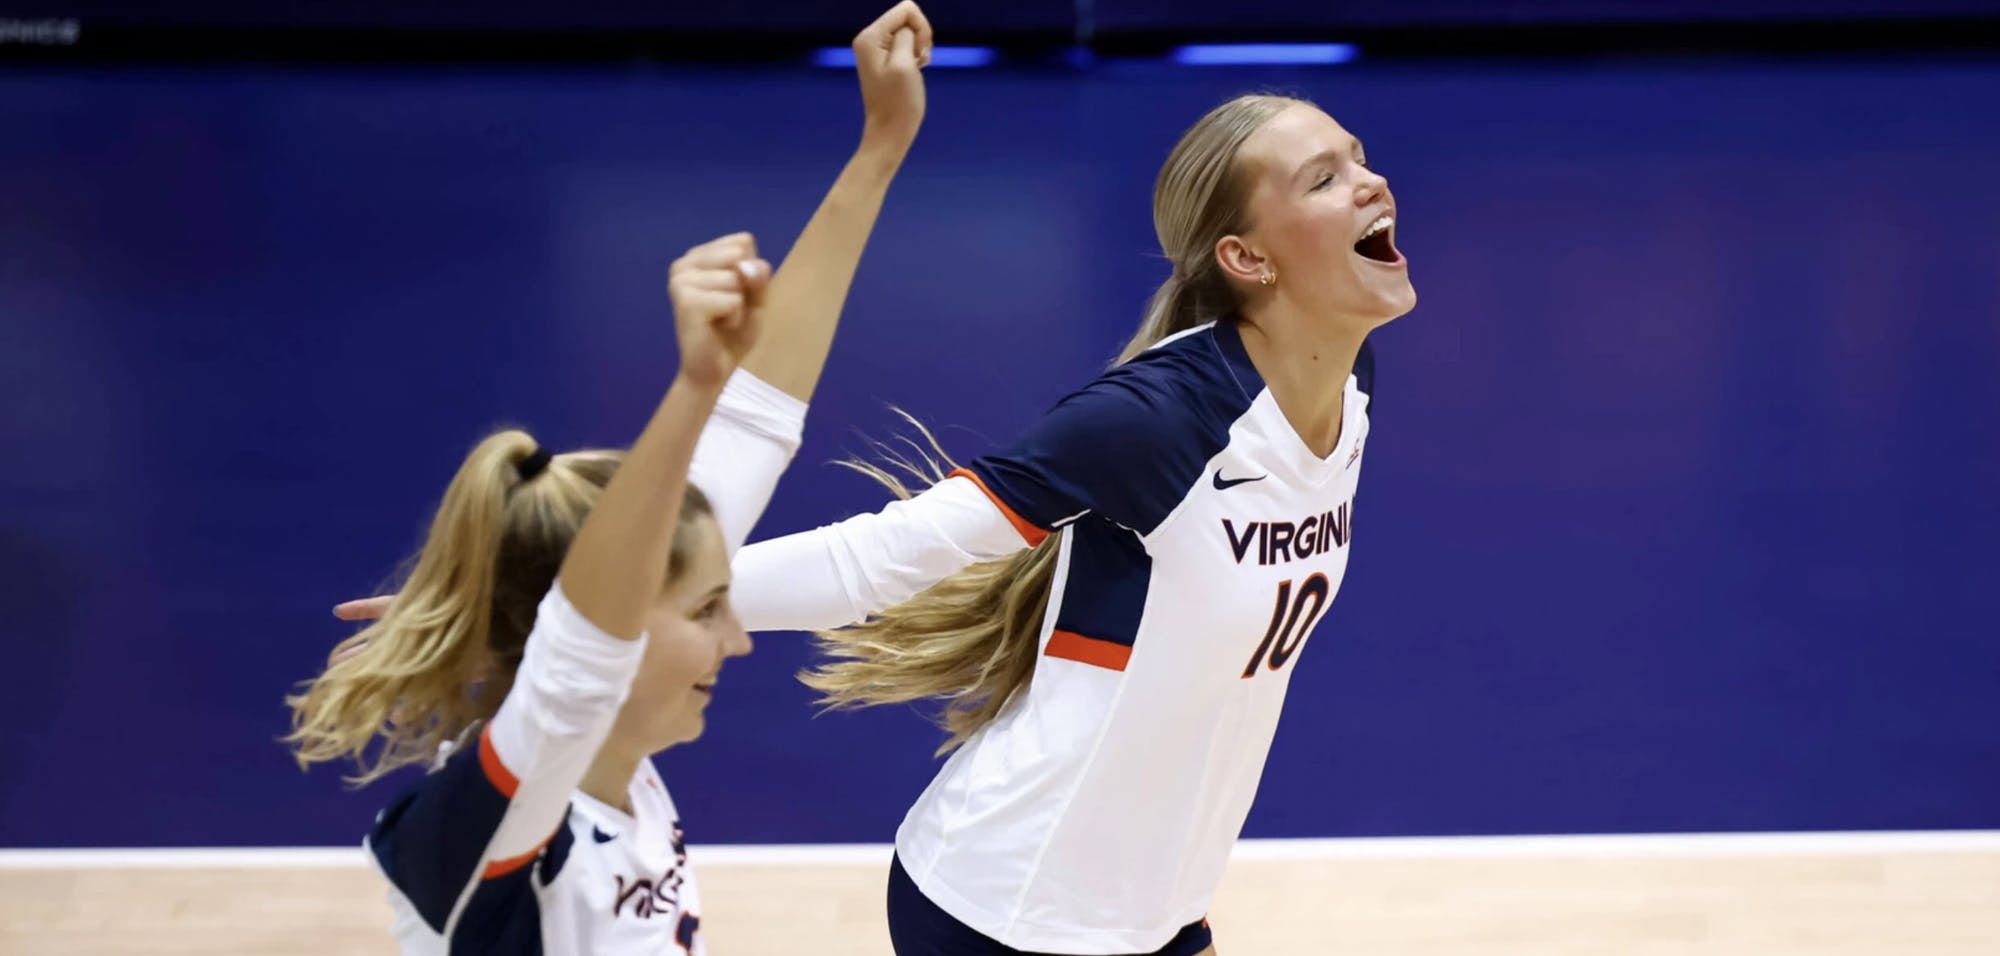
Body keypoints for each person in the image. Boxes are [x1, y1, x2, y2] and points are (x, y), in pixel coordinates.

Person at [293, 6, 932, 952]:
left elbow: (758, 419)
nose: (740, 639)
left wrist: (882, 146)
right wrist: (691, 385)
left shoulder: (613, 757)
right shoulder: (510, 810)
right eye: (709, 608)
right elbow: (579, 646)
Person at [729, 92, 1411, 955]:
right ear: (1246, 256)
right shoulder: (1158, 422)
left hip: (1155, 913)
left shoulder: (1350, 389)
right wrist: (625, 598)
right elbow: (874, 562)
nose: (1370, 182)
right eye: (1325, 178)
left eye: (1357, 156)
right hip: (1009, 910)